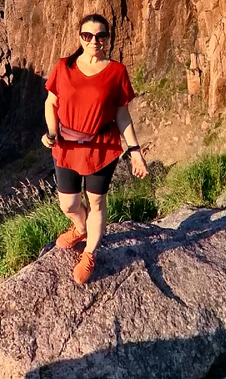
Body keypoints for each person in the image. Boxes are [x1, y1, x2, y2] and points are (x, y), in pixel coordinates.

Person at [43, 14, 149, 284]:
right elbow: (50, 103)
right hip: (67, 145)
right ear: (79, 37)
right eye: (87, 36)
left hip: (102, 147)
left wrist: (135, 151)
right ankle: (81, 228)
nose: (94, 41)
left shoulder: (116, 72)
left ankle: (90, 251)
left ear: (107, 39)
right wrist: (52, 133)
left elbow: (122, 116)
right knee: (68, 204)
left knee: (97, 202)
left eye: (100, 36)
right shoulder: (63, 67)